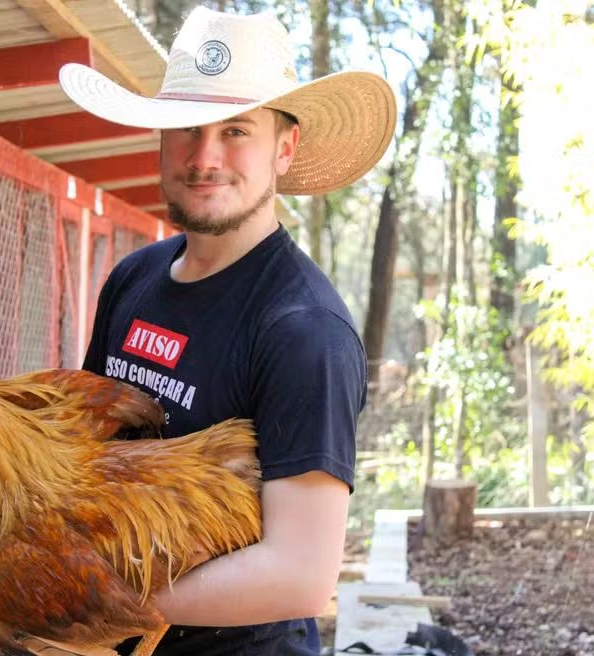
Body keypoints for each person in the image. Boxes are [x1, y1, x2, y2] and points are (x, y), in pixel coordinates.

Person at [59, 7, 396, 655]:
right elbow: (85, 455)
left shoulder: (305, 332)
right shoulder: (132, 281)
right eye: (187, 127)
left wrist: (100, 600)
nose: (205, 155)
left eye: (236, 130)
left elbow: (301, 576)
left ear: (285, 148)